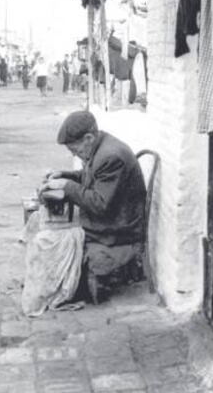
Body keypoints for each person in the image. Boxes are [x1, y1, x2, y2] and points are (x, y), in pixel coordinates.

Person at [42, 110, 146, 304]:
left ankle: (58, 290)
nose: (75, 154)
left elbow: (100, 204)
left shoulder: (111, 156)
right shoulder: (101, 144)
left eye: (76, 150)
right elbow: (90, 175)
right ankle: (57, 284)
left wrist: (67, 186)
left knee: (51, 238)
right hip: (116, 219)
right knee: (50, 228)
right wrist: (65, 175)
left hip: (119, 229)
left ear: (88, 138)